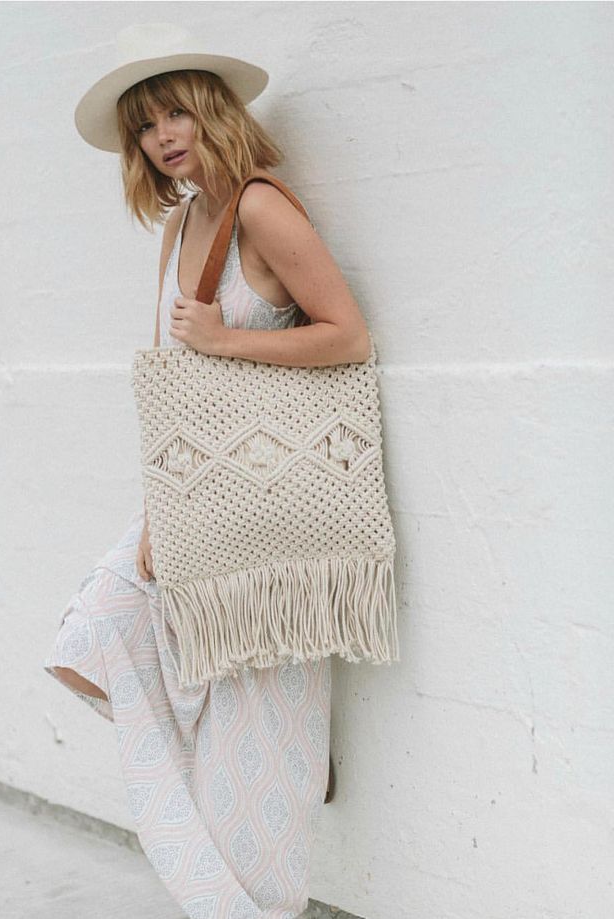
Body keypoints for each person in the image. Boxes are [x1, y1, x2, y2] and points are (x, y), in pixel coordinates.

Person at [43, 22, 372, 919]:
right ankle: (260, 755)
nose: (163, 137)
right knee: (89, 640)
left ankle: (255, 875)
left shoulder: (261, 207)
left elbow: (349, 333)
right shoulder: (184, 219)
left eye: (176, 112)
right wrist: (157, 516)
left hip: (274, 524)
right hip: (200, 501)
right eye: (146, 126)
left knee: (249, 780)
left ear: (214, 110)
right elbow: (180, 393)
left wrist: (227, 338)